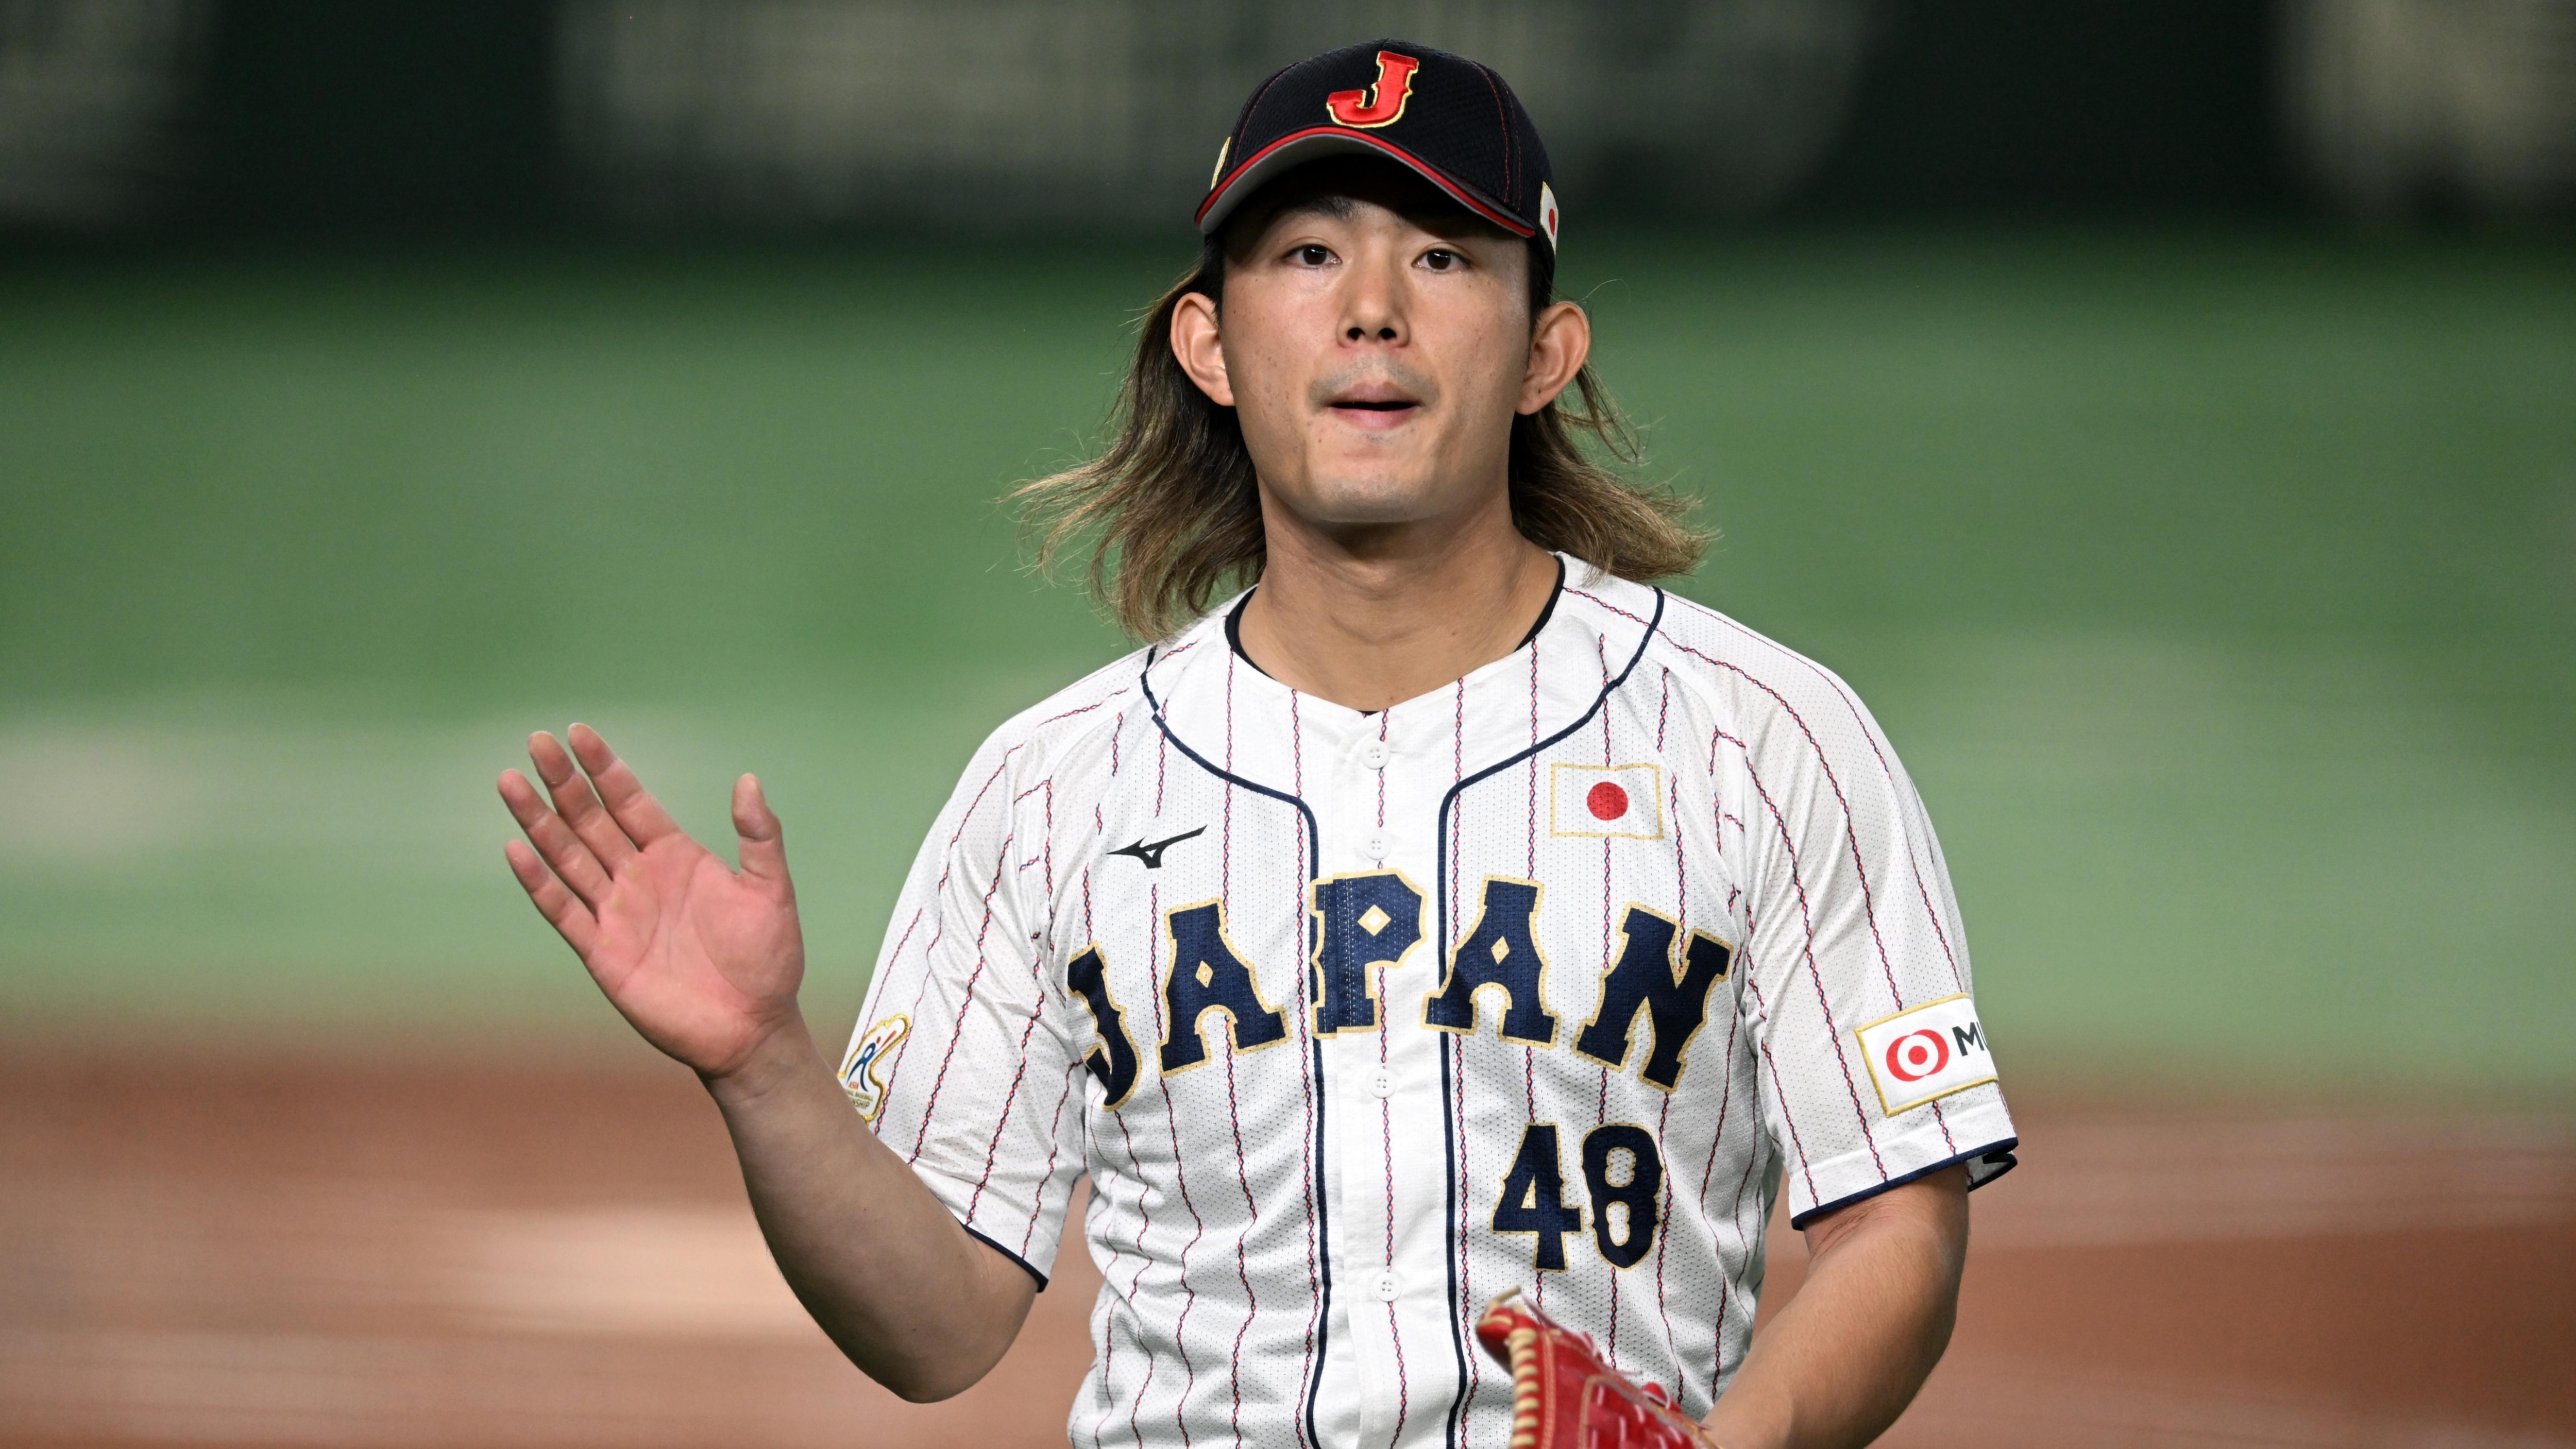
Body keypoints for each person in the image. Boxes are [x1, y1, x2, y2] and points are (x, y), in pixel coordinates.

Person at [497, 39, 2016, 1449]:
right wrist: (765, 1069)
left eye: (1443, 256)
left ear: (1548, 350)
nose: (1374, 306)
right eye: (1308, 254)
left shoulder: (1763, 740)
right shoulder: (1053, 791)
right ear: (1211, 344)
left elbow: (1899, 1221)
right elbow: (938, 1325)